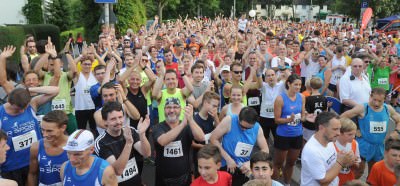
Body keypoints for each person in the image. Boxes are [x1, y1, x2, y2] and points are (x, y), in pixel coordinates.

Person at [0, 86, 59, 186]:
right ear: (11, 103)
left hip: (35, 160)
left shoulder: (31, 104)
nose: (22, 111)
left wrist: (29, 90)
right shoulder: (1, 114)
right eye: (18, 108)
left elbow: (55, 90)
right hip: (13, 166)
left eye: (24, 107)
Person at [341, 87, 400, 175]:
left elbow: (399, 120)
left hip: (379, 146)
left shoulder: (388, 109)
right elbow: (343, 117)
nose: (376, 103)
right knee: (359, 171)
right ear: (370, 97)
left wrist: (397, 131)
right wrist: (354, 129)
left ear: (385, 99)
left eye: (380, 101)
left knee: (373, 173)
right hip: (364, 144)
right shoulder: (363, 108)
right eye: (374, 99)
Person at [95, 101, 151, 185]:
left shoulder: (130, 131)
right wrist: (128, 144)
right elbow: (118, 170)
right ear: (105, 121)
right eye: (113, 119)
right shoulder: (101, 142)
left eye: (120, 117)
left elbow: (147, 153)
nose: (118, 121)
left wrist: (142, 134)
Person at [210, 107, 269, 186]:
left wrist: (250, 162)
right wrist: (228, 159)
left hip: (244, 167)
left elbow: (265, 149)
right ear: (238, 118)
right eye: (242, 126)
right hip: (226, 164)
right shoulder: (229, 120)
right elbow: (213, 139)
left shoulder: (257, 128)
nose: (244, 129)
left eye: (248, 128)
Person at [152, 98, 205, 186]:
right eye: (168, 107)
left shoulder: (187, 126)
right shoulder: (158, 127)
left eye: (175, 107)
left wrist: (191, 120)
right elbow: (163, 141)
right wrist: (182, 125)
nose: (172, 110)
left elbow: (201, 138)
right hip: (163, 179)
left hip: (184, 178)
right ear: (164, 109)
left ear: (180, 109)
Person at [301, 112, 355, 186]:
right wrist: (340, 162)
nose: (338, 133)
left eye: (339, 129)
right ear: (321, 128)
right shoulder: (312, 151)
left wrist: (345, 158)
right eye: (335, 129)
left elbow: (331, 164)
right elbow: (323, 181)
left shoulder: (329, 140)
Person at [272, 74, 305, 185]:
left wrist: (306, 118)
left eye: (300, 85)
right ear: (289, 84)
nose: (298, 87)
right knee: (278, 164)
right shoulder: (280, 99)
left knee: (291, 163)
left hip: (297, 134)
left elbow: (303, 115)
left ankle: (287, 183)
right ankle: (275, 184)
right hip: (283, 135)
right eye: (295, 84)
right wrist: (288, 120)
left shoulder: (302, 97)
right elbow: (276, 120)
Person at [27, 110, 69, 186]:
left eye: (49, 131)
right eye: (42, 130)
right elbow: (32, 174)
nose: (45, 135)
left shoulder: (74, 147)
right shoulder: (36, 147)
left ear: (63, 128)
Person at [192, 91, 220, 177]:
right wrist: (204, 147)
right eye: (214, 106)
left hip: (211, 155)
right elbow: (191, 143)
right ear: (205, 103)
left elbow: (219, 130)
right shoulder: (194, 120)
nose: (215, 108)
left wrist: (216, 117)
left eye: (217, 106)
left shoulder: (212, 116)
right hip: (199, 157)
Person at [334, 118, 361, 185]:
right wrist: (343, 162)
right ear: (340, 133)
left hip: (349, 178)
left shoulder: (354, 144)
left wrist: (353, 162)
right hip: (335, 178)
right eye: (350, 134)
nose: (353, 137)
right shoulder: (332, 144)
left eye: (354, 134)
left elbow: (357, 166)